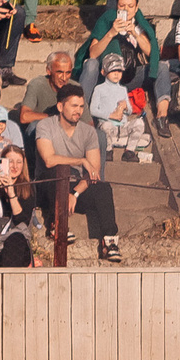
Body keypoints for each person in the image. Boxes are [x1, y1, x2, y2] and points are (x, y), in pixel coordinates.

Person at [35, 83, 123, 262]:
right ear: (60, 107)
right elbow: (49, 159)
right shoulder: (45, 126)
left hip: (75, 187)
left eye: (81, 106)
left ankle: (109, 241)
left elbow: (94, 171)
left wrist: (75, 193)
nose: (79, 111)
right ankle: (56, 224)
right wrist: (81, 160)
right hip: (48, 185)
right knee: (56, 174)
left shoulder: (89, 132)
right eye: (74, 106)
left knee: (103, 189)